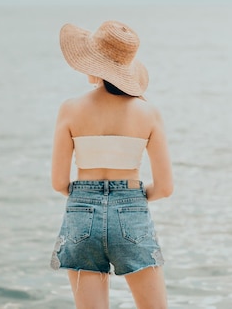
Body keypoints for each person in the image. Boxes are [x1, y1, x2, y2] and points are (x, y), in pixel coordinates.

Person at [50, 20, 173, 309]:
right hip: (131, 208)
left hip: (82, 210)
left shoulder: (70, 108)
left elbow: (58, 182)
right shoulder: (148, 113)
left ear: (95, 65)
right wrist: (129, 198)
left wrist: (89, 196)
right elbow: (166, 188)